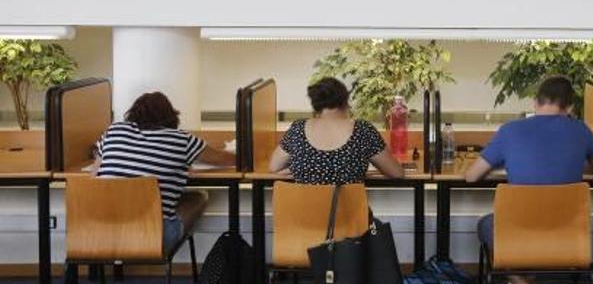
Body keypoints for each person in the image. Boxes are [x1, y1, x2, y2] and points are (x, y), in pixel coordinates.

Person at [465, 76, 593, 284]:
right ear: (570, 107)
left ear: (535, 101)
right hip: (566, 229)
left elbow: (471, 176)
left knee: (486, 224)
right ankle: (525, 275)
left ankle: (518, 278)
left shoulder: (510, 130)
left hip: (519, 228)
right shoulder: (581, 130)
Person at [94, 91, 236, 254]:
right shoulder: (182, 140)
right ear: (170, 116)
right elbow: (226, 160)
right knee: (199, 196)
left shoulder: (114, 130)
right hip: (152, 237)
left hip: (100, 231)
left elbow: (94, 178)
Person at [268, 77, 404, 182]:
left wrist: (299, 168)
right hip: (349, 217)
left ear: (315, 106)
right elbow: (397, 173)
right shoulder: (363, 130)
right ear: (345, 102)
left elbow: (274, 167)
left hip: (304, 217)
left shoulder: (298, 129)